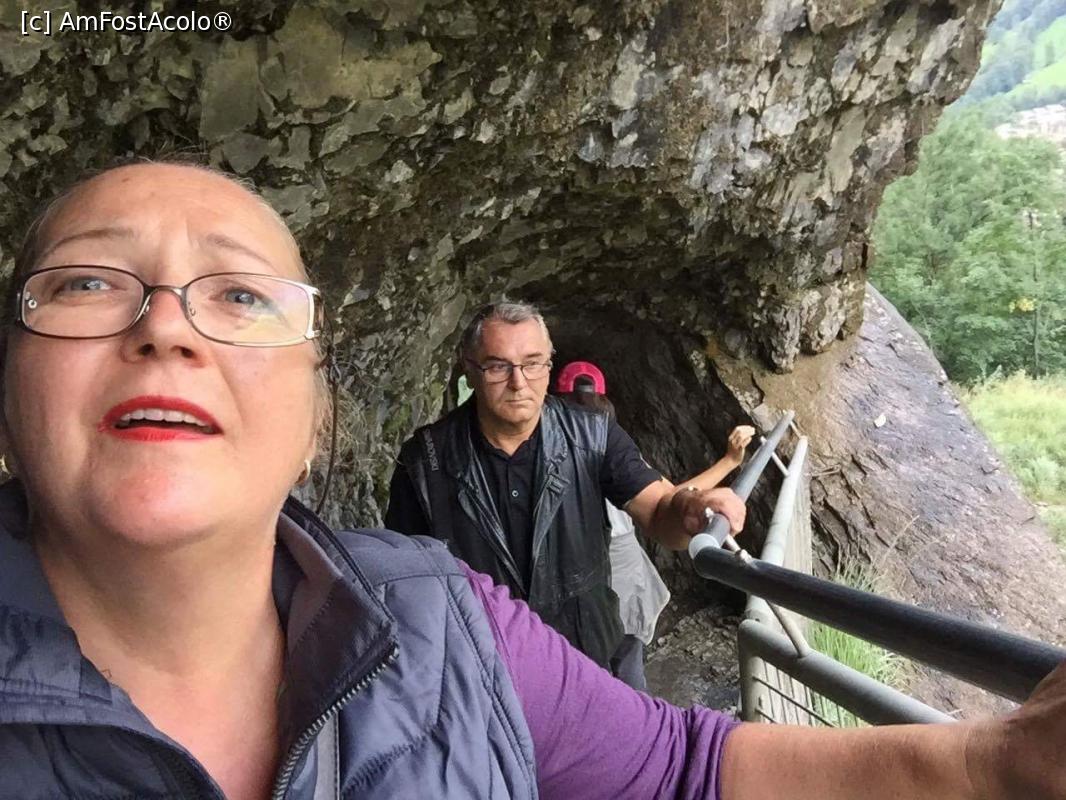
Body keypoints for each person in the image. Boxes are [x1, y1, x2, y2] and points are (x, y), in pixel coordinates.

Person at [0, 161, 1062, 800]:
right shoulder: (427, 470)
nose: (167, 327)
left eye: (239, 296)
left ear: (314, 420)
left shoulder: (486, 574)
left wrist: (988, 766)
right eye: (88, 281)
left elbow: (680, 750)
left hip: (575, 659)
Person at [384, 303, 746, 670]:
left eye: (532, 364)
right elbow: (407, 579)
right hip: (481, 664)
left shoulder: (594, 435)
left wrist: (689, 509)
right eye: (498, 366)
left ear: (549, 366)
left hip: (582, 658)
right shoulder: (425, 461)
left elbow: (657, 512)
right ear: (470, 369)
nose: (518, 382)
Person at [559, 361, 756, 691]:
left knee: (591, 675)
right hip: (618, 586)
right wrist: (728, 464)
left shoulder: (603, 453)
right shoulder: (612, 450)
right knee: (626, 669)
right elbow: (668, 499)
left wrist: (727, 465)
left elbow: (670, 499)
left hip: (589, 591)